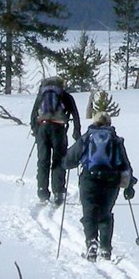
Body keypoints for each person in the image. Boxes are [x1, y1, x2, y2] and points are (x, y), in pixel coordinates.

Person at [64, 112, 137, 261]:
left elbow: (69, 161)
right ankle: (105, 248)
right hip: (111, 180)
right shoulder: (115, 140)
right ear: (109, 123)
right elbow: (125, 164)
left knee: (89, 212)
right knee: (105, 213)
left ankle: (91, 243)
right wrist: (130, 185)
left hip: (89, 179)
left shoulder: (86, 138)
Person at [29, 76, 81, 205]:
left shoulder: (42, 94)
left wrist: (35, 130)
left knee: (43, 160)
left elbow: (33, 114)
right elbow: (75, 114)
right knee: (59, 160)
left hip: (42, 128)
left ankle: (42, 192)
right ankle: (58, 192)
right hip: (58, 129)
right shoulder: (65, 95)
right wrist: (77, 132)